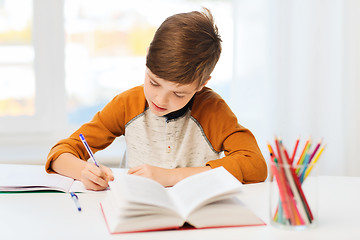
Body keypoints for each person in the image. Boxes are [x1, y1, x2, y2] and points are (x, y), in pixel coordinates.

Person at [45, 8, 267, 191]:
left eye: (178, 93)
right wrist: (84, 171)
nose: (160, 99)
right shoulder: (128, 104)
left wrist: (173, 176)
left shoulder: (213, 110)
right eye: (153, 82)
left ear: (202, 85)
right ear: (147, 58)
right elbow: (60, 154)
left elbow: (255, 166)